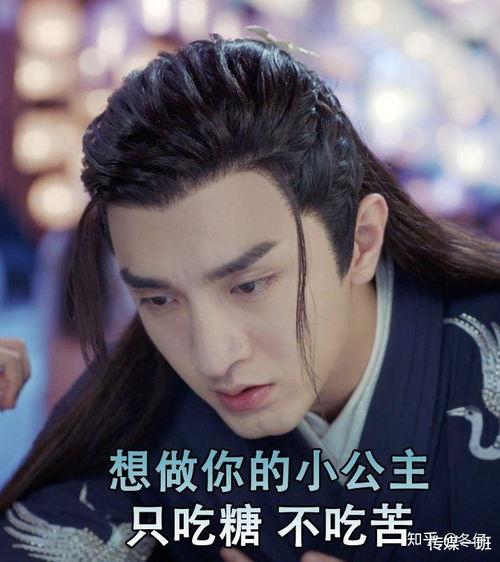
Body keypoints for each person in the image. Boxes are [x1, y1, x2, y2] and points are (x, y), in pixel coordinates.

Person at [0, 33, 499, 562]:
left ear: (360, 240)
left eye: (249, 285)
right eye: (160, 300)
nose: (213, 358)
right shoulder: (136, 423)